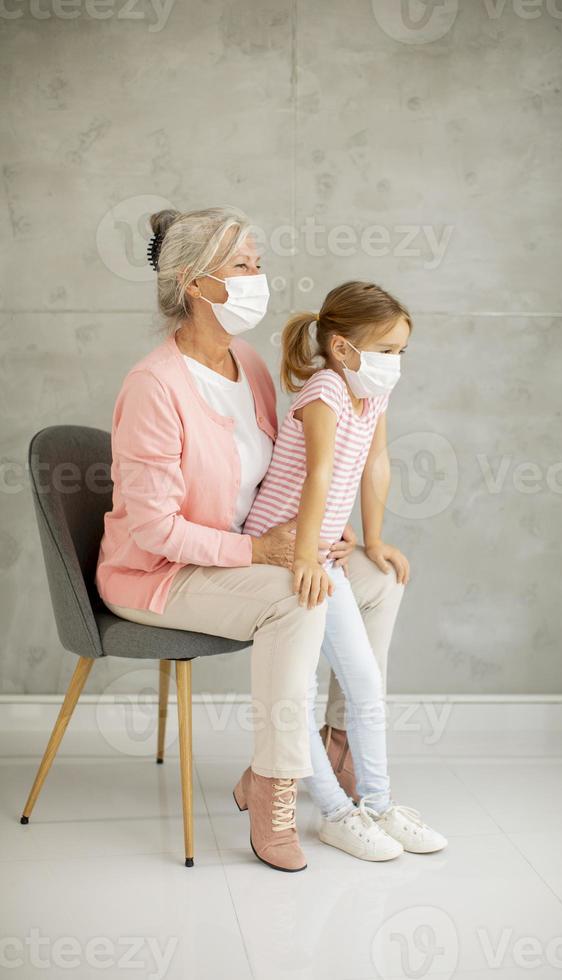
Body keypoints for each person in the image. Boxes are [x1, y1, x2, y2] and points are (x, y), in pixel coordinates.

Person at [95, 206, 402, 873]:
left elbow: (286, 476)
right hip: (159, 575)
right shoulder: (155, 386)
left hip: (238, 557)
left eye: (258, 264)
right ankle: (274, 784)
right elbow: (154, 530)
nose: (258, 278)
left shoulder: (251, 365)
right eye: (242, 266)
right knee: (296, 599)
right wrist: (262, 553)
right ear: (194, 284)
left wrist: (324, 533)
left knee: (375, 579)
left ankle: (337, 748)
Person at [242, 281, 448, 860]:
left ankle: (378, 804)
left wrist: (372, 538)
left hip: (317, 549)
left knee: (363, 682)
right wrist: (308, 554)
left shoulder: (369, 393)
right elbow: (320, 474)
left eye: (401, 353)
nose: (394, 365)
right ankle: (334, 811)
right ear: (342, 347)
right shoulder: (326, 391)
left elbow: (374, 463)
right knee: (301, 690)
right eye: (385, 351)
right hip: (281, 551)